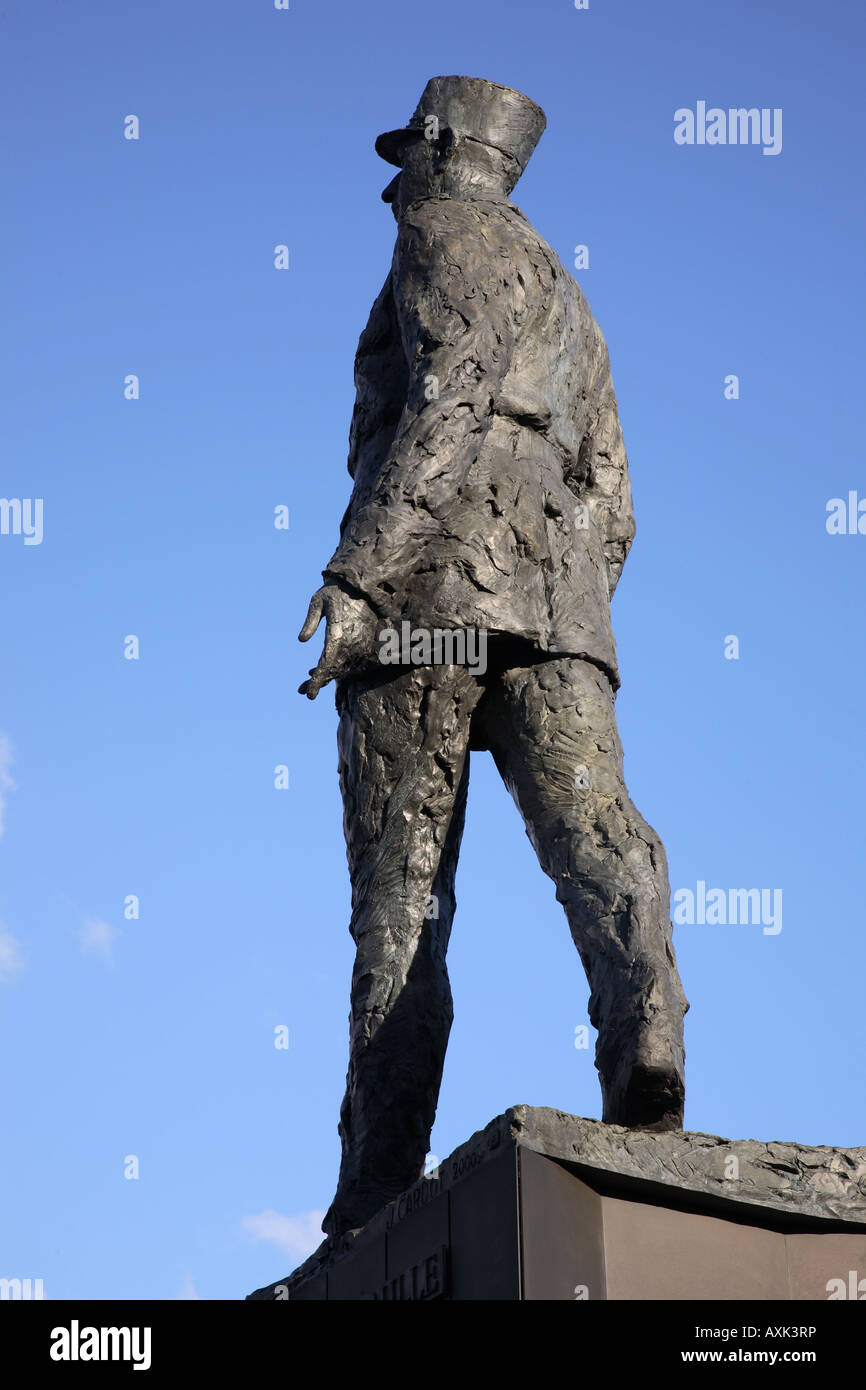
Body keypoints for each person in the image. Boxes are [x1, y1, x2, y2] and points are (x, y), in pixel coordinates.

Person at [298, 76, 689, 1240]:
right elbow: (615, 503)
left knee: (402, 894)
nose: (391, 181)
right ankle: (647, 1033)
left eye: (400, 154)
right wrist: (561, 610)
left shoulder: (437, 228)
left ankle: (377, 1176)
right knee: (596, 832)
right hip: (561, 604)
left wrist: (364, 574)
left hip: (428, 597)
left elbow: (446, 398)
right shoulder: (570, 294)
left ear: (434, 147)